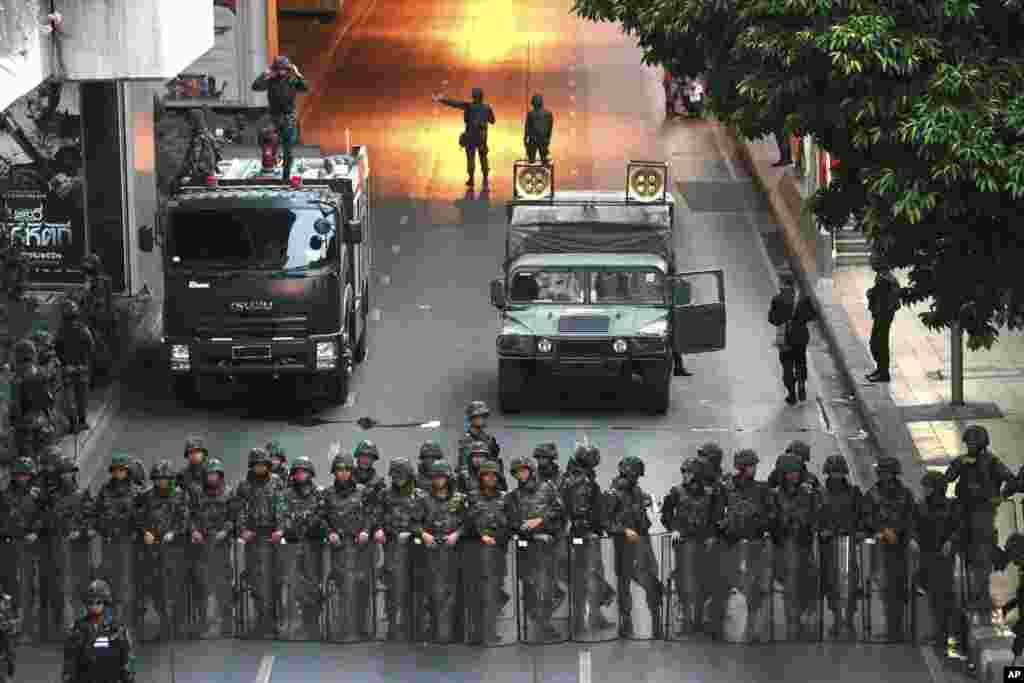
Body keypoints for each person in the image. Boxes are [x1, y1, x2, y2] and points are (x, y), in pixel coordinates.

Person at [506, 455, 566, 641]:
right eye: (517, 472)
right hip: (528, 547)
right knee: (531, 588)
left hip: (549, 546)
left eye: (524, 470)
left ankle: (543, 622)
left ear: (531, 470)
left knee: (550, 588)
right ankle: (539, 625)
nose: (521, 474)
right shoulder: (513, 496)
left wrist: (540, 520)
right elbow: (512, 522)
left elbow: (560, 511)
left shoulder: (548, 487)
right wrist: (531, 533)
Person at [661, 456, 722, 637]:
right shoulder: (676, 492)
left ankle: (699, 620)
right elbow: (666, 514)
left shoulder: (711, 494)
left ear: (698, 474)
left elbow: (716, 517)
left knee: (704, 581)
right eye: (684, 472)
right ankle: (687, 620)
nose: (685, 475)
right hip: (685, 542)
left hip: (704, 543)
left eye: (689, 472)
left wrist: (712, 534)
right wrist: (674, 529)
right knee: (686, 581)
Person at [605, 455, 663, 639]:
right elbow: (606, 522)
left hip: (642, 542)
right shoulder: (613, 494)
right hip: (625, 545)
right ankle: (626, 623)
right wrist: (623, 530)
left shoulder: (636, 491)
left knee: (651, 581)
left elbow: (646, 502)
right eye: (635, 475)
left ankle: (655, 621)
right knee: (624, 585)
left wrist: (653, 501)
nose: (637, 478)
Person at [61, 579, 135, 683]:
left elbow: (127, 663)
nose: (94, 606)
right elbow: (69, 664)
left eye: (98, 602)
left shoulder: (117, 630)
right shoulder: (77, 629)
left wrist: (128, 677)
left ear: (105, 603)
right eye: (90, 602)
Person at [251, 56, 308, 182]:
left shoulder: (292, 81)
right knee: (268, 139)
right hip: (274, 117)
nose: (281, 71)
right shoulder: (271, 80)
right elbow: (255, 86)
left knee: (289, 150)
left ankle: (286, 177)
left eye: (284, 69)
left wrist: (297, 73)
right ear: (275, 69)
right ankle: (269, 166)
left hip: (288, 118)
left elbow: (305, 87)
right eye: (279, 68)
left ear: (288, 69)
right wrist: (265, 73)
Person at [433, 88, 496, 188]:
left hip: (470, 135)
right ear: (482, 97)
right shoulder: (487, 107)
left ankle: (471, 179)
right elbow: (492, 121)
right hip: (482, 136)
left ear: (473, 97)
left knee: (470, 158)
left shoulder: (468, 106)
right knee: (483, 156)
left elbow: (454, 104)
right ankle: (485, 177)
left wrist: (441, 99)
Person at [769, 274, 816, 404]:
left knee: (787, 366)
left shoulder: (777, 299)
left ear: (782, 284)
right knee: (801, 362)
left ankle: (792, 395)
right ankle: (801, 384)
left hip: (785, 339)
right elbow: (812, 316)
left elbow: (772, 319)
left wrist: (782, 320)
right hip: (801, 337)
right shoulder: (803, 299)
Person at [865, 253, 901, 382]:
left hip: (883, 315)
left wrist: (870, 293)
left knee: (878, 343)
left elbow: (881, 296)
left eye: (873, 261)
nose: (871, 263)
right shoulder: (882, 276)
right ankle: (880, 370)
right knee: (878, 342)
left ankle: (883, 372)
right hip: (882, 314)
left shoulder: (884, 278)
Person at [523, 94, 553, 164]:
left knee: (531, 160)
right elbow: (550, 128)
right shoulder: (548, 114)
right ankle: (544, 168)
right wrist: (548, 139)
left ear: (533, 103)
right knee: (544, 160)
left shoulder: (531, 114)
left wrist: (525, 138)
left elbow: (527, 128)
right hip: (543, 140)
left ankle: (532, 168)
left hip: (533, 140)